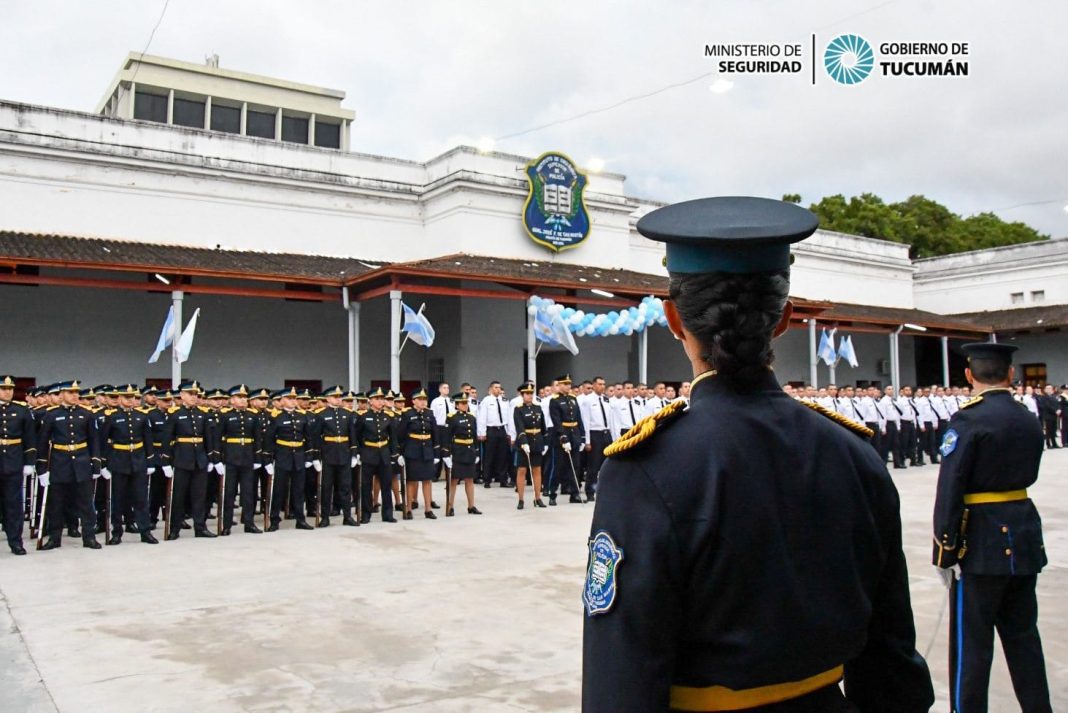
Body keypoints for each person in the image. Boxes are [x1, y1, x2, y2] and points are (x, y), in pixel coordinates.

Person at [582, 196, 933, 712]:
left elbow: (622, 671)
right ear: (785, 317)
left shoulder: (647, 467)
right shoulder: (853, 453)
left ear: (674, 318)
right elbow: (891, 658)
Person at [932, 342, 1052, 713]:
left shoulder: (969, 420)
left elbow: (951, 486)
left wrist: (945, 548)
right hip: (1024, 533)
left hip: (980, 542)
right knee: (1023, 637)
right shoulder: (1027, 417)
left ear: (969, 375)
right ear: (1010, 374)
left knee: (972, 644)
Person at [36, 381, 103, 550]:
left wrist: (95, 463)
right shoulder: (51, 415)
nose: (75, 395)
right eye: (70, 392)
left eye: (76, 392)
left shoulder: (87, 414)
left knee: (86, 504)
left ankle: (89, 537)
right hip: (59, 463)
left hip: (81, 462)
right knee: (57, 503)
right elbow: (43, 442)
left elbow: (94, 441)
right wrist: (42, 468)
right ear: (62, 394)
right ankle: (54, 538)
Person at [95, 384, 158, 545]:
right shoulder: (111, 416)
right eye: (127, 397)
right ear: (120, 399)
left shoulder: (142, 416)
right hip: (119, 460)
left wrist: (150, 461)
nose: (131, 400)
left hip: (138, 460)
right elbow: (104, 442)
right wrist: (103, 464)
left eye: (133, 397)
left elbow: (148, 441)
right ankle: (117, 532)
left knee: (141, 498)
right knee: (118, 498)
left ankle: (145, 531)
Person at [160, 380, 218, 540]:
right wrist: (165, 461)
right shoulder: (175, 414)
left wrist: (211, 458)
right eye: (190, 394)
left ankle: (200, 527)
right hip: (182, 459)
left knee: (199, 496)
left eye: (196, 394)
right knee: (178, 496)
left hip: (200, 458)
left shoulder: (203, 414)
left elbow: (208, 438)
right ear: (182, 395)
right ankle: (175, 528)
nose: (194, 397)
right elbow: (167, 439)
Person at [263, 387, 316, 532]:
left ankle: (300, 519)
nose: (293, 401)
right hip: (283, 455)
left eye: (294, 399)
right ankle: (274, 520)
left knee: (299, 490)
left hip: (298, 455)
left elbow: (308, 438)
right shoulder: (276, 417)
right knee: (279, 489)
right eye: (289, 399)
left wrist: (309, 455)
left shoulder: (302, 416)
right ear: (282, 400)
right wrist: (268, 459)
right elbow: (269, 439)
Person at [310, 386, 359, 527]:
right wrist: (316, 457)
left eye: (339, 397)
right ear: (328, 399)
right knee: (326, 487)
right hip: (328, 454)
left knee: (345, 487)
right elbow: (316, 437)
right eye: (335, 396)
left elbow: (352, 436)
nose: (338, 399)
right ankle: (325, 517)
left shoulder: (347, 414)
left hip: (344, 453)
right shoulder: (321, 414)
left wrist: (354, 453)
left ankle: (347, 516)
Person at [217, 385, 263, 534]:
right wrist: (218, 458)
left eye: (244, 397)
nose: (243, 400)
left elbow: (257, 439)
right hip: (231, 457)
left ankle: (249, 523)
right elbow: (218, 438)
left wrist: (257, 457)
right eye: (239, 397)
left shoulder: (252, 416)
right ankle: (227, 525)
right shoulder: (225, 416)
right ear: (232, 400)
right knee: (229, 492)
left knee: (249, 492)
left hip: (247, 457)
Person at [0, 375, 36, 555]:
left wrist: (29, 462)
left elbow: (29, 438)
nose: (8, 392)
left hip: (13, 461)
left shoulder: (21, 410)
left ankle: (15, 541)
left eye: (10, 389)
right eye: (4, 388)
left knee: (13, 504)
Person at [396, 387, 439, 520]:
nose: (422, 402)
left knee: (427, 480)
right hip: (412, 450)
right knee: (411, 480)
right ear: (413, 401)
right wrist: (400, 453)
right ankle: (408, 508)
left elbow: (435, 434)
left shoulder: (429, 414)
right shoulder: (407, 414)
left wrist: (436, 453)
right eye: (419, 399)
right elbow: (401, 435)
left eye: (424, 399)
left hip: (427, 451)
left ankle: (428, 509)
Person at [356, 387, 397, 523]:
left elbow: (393, 437)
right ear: (370, 401)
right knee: (366, 486)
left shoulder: (388, 417)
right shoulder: (363, 417)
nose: (380, 401)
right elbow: (357, 437)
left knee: (386, 485)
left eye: (382, 399)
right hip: (368, 453)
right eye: (377, 399)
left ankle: (388, 514)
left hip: (384, 453)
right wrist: (358, 454)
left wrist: (394, 455)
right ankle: (366, 513)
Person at [441, 392, 481, 516]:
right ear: (457, 405)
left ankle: (471, 506)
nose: (465, 405)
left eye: (466, 403)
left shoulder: (471, 417)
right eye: (462, 403)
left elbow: (474, 435)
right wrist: (446, 454)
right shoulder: (451, 417)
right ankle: (450, 506)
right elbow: (446, 437)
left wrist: (477, 451)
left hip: (469, 451)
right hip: (458, 451)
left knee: (469, 479)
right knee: (454, 480)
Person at [512, 382, 547, 509]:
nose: (529, 396)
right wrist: (524, 442)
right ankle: (521, 499)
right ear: (522, 395)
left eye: (531, 393)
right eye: (527, 394)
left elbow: (543, 427)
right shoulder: (518, 409)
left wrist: (545, 442)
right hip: (524, 442)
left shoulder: (538, 408)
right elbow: (519, 427)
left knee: (537, 469)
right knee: (522, 470)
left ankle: (537, 498)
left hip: (537, 441)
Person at [578, 376, 612, 502]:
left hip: (606, 433)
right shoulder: (587, 400)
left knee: (607, 465)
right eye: (599, 384)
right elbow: (585, 421)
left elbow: (610, 419)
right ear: (593, 385)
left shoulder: (606, 400)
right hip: (594, 434)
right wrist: (587, 440)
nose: (602, 386)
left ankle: (605, 490)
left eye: (604, 384)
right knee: (593, 465)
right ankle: (590, 491)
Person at [477, 380, 513, 489]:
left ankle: (503, 480)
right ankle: (487, 479)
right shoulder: (486, 401)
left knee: (503, 456)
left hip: (502, 429)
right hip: (491, 430)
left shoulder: (505, 401)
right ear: (491, 389)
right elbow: (482, 417)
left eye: (499, 387)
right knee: (489, 456)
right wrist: (482, 432)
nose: (498, 389)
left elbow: (508, 417)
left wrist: (509, 432)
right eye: (496, 387)